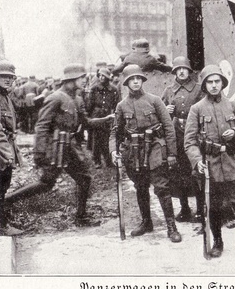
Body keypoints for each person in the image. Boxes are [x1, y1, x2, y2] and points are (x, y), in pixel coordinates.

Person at [5, 64, 114, 227]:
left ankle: (81, 217)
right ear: (71, 80)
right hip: (54, 147)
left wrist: (107, 119)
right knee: (46, 184)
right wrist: (40, 152)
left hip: (69, 148)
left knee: (84, 178)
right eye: (81, 78)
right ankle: (5, 202)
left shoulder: (77, 99)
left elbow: (86, 122)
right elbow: (41, 125)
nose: (85, 81)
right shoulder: (55, 97)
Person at [184, 64, 235, 258]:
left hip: (234, 162)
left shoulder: (233, 105)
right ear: (204, 85)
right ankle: (218, 243)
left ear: (222, 83)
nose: (213, 85)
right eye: (209, 82)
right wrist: (196, 160)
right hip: (211, 166)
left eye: (217, 81)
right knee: (214, 207)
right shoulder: (197, 109)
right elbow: (189, 142)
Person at [109, 65, 181, 243]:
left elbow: (168, 127)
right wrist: (113, 151)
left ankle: (171, 227)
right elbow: (115, 133)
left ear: (142, 80)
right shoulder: (122, 106)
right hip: (133, 151)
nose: (135, 82)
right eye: (132, 79)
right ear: (126, 83)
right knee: (140, 186)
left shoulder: (155, 100)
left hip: (155, 147)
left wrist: (171, 153)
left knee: (161, 186)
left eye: (138, 79)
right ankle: (146, 222)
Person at [161, 56, 205, 223]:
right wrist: (166, 110)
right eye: (178, 69)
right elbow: (160, 114)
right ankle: (185, 208)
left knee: (197, 172)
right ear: (174, 72)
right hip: (177, 136)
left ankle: (201, 210)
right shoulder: (168, 90)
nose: (181, 71)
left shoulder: (198, 89)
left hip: (194, 135)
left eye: (184, 69)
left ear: (189, 71)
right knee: (179, 174)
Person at [0, 60, 24, 236]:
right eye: (3, 76)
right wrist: (7, 153)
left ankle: (1, 221)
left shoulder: (5, 96)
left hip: (6, 146)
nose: (8, 80)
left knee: (3, 187)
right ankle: (1, 225)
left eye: (10, 77)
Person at [87, 68, 120, 168]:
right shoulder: (94, 88)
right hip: (96, 115)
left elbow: (116, 104)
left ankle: (108, 160)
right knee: (96, 139)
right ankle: (97, 161)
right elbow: (90, 104)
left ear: (107, 78)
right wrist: (89, 117)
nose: (101, 78)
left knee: (107, 138)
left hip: (108, 116)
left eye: (103, 76)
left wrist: (115, 115)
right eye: (100, 75)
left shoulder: (113, 89)